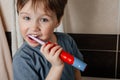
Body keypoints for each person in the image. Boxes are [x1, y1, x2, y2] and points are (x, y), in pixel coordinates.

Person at [13, 0, 84, 80]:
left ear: (58, 21)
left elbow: (75, 70)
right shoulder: (23, 59)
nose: (34, 28)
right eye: (27, 18)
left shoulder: (67, 40)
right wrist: (57, 67)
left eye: (44, 20)